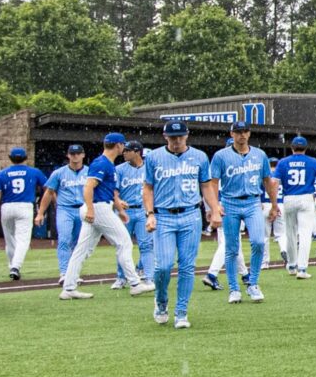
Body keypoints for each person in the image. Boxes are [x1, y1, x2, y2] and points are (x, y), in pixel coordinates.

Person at [60, 133, 143, 298]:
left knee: (82, 249)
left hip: (101, 206)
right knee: (124, 243)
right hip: (98, 208)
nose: (124, 148)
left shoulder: (108, 163)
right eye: (123, 145)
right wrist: (91, 209)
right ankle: (135, 283)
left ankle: (68, 289)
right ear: (118, 145)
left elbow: (108, 191)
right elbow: (88, 187)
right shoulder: (102, 163)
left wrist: (119, 208)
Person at [146, 121, 207, 328]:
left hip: (191, 213)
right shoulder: (154, 157)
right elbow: (147, 188)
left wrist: (214, 209)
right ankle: (161, 301)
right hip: (164, 216)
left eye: (180, 136)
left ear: (187, 135)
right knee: (163, 266)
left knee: (187, 266)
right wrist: (150, 214)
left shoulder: (199, 157)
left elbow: (206, 185)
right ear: (165, 137)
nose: (177, 140)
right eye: (173, 137)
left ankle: (181, 312)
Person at [204, 126, 274, 303]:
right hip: (230, 202)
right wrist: (214, 206)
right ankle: (234, 288)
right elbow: (213, 182)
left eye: (245, 132)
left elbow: (267, 180)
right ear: (232, 134)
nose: (242, 135)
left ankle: (253, 283)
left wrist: (274, 204)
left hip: (252, 201)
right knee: (231, 248)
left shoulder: (259, 154)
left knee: (258, 241)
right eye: (238, 132)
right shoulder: (221, 156)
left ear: (249, 133)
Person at [0, 148, 47, 280]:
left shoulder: (2, 174)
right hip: (25, 205)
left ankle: (12, 265)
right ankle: (15, 267)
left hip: (7, 206)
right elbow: (47, 188)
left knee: (10, 240)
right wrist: (42, 209)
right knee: (23, 239)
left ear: (10, 158)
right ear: (26, 157)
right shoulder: (34, 171)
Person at [273, 135, 316, 278]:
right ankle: (302, 269)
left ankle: (291, 265)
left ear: (292, 148)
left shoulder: (283, 162)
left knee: (290, 234)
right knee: (305, 234)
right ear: (306, 148)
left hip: (288, 198)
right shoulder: (313, 162)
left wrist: (274, 203)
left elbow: (275, 183)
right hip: (306, 198)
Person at [41, 145, 88, 280]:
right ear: (68, 155)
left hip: (82, 208)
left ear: (83, 155)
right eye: (72, 153)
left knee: (79, 243)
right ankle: (64, 272)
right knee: (64, 239)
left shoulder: (89, 172)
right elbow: (49, 192)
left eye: (78, 153)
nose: (75, 156)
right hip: (65, 209)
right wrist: (41, 213)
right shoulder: (59, 173)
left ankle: (74, 272)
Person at [112, 140, 152, 290]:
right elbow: (114, 191)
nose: (124, 153)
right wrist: (119, 201)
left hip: (143, 209)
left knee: (146, 244)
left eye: (127, 150)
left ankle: (148, 278)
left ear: (137, 152)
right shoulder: (119, 169)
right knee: (122, 245)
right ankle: (121, 277)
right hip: (125, 212)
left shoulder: (149, 168)